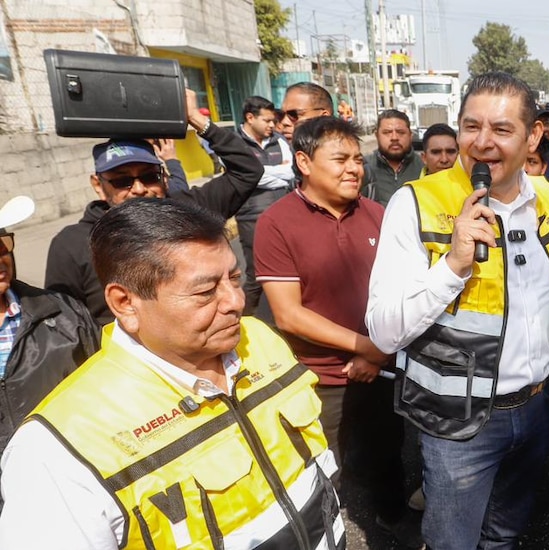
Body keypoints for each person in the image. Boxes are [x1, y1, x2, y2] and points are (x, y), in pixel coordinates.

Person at [0, 199, 343, 549]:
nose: (235, 301)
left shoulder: (260, 338)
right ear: (125, 303)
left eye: (235, 278)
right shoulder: (58, 450)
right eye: (206, 291)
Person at [367, 72, 549, 550]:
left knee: (505, 531)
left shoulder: (546, 197)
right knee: (452, 541)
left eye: (501, 130)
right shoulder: (416, 202)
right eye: (470, 127)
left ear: (534, 135)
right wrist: (454, 265)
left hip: (540, 406)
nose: (482, 144)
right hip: (457, 426)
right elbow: (382, 331)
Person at [254, 117, 419, 547]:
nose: (354, 169)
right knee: (323, 468)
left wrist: (379, 354)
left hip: (381, 369)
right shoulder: (277, 222)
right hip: (317, 378)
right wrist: (367, 347)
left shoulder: (378, 214)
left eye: (357, 160)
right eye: (340, 159)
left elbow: (406, 289)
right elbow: (288, 315)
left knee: (387, 452)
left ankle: (392, 519)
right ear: (304, 162)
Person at [45, 89, 264, 326]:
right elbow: (64, 324)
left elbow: (247, 169)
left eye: (149, 177)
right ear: (98, 185)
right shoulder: (71, 244)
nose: (139, 189)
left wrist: (195, 119)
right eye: (122, 181)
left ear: (164, 177)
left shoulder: (189, 211)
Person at [0, 196, 99, 509]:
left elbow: (105, 396)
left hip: (75, 488)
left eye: (2, 243)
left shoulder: (65, 314)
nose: (0, 257)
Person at [234, 95, 295, 314]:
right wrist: (265, 174)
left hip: (283, 213)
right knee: (256, 275)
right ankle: (244, 320)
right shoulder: (234, 143)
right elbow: (246, 176)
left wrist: (260, 173)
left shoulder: (278, 141)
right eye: (267, 120)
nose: (273, 125)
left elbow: (290, 172)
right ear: (250, 118)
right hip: (251, 216)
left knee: (289, 269)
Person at [362, 109, 424, 206]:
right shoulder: (363, 168)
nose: (394, 137)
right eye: (387, 132)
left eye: (400, 132)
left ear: (410, 135)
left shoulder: (424, 167)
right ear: (377, 135)